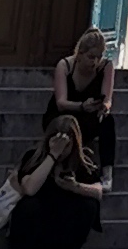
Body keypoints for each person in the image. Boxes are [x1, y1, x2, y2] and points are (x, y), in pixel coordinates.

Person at [4, 112, 104, 249]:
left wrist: (75, 187)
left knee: (89, 205)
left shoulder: (82, 161)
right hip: (35, 225)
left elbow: (98, 191)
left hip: (64, 226)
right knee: (28, 205)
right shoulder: (33, 157)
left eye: (66, 145)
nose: (62, 150)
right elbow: (29, 189)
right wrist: (52, 155)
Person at [50, 29, 117, 180]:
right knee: (67, 123)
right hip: (65, 112)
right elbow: (61, 102)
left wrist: (104, 107)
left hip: (89, 114)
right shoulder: (65, 65)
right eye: (91, 57)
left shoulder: (106, 67)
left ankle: (107, 172)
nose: (95, 62)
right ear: (80, 54)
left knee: (108, 121)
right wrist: (81, 106)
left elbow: (107, 99)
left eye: (99, 57)